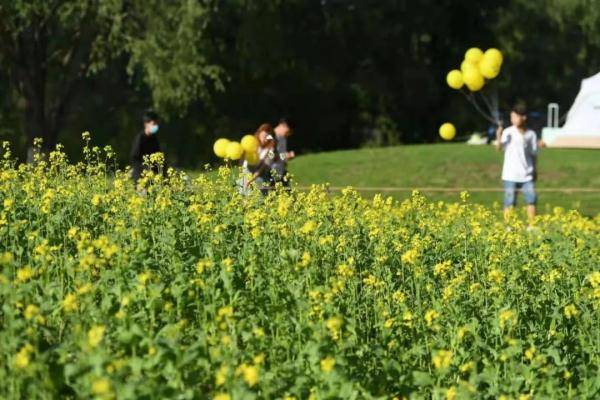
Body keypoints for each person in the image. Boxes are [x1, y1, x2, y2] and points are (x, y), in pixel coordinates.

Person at [495, 103, 540, 222]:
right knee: (509, 201)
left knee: (531, 200)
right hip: (510, 175)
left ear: (523, 117)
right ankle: (508, 227)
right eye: (511, 117)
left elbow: (534, 154)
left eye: (515, 117)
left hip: (527, 175)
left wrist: (535, 170)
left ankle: (532, 226)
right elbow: (499, 148)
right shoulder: (508, 132)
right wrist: (499, 136)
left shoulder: (531, 134)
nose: (512, 119)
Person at [244, 123, 278, 195]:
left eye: (267, 137)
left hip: (260, 176)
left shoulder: (272, 150)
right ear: (258, 134)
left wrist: (252, 179)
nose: (264, 139)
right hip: (246, 173)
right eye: (263, 136)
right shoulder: (252, 143)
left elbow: (264, 166)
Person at [130, 110, 162, 186]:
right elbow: (134, 158)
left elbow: (159, 156)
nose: (155, 126)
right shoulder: (140, 138)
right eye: (153, 124)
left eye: (156, 124)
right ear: (146, 124)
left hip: (153, 179)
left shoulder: (154, 139)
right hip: (141, 179)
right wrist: (145, 169)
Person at [272, 117, 296, 186]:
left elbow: (280, 157)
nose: (288, 134)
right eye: (288, 131)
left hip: (281, 173)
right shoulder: (271, 137)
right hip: (271, 174)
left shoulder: (283, 138)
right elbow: (269, 156)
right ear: (283, 125)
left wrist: (286, 159)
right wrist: (285, 156)